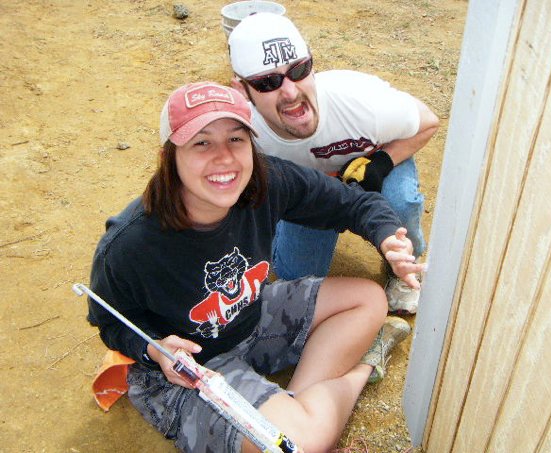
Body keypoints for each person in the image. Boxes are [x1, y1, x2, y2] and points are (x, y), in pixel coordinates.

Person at [86, 81, 424, 452]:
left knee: (369, 299)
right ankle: (362, 371)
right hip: (192, 370)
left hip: (253, 317)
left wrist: (388, 237)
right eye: (202, 143)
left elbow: (352, 203)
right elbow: (110, 321)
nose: (224, 158)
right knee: (293, 444)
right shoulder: (130, 244)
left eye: (236, 139)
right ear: (169, 157)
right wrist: (153, 349)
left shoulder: (265, 180)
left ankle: (295, 409)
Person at [227, 13, 439, 315]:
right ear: (242, 90)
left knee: (400, 201)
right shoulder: (242, 135)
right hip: (307, 190)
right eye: (267, 82)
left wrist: (381, 163)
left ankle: (406, 264)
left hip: (370, 161)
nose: (291, 92)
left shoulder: (362, 104)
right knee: (297, 276)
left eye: (299, 70)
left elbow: (428, 122)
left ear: (312, 64)